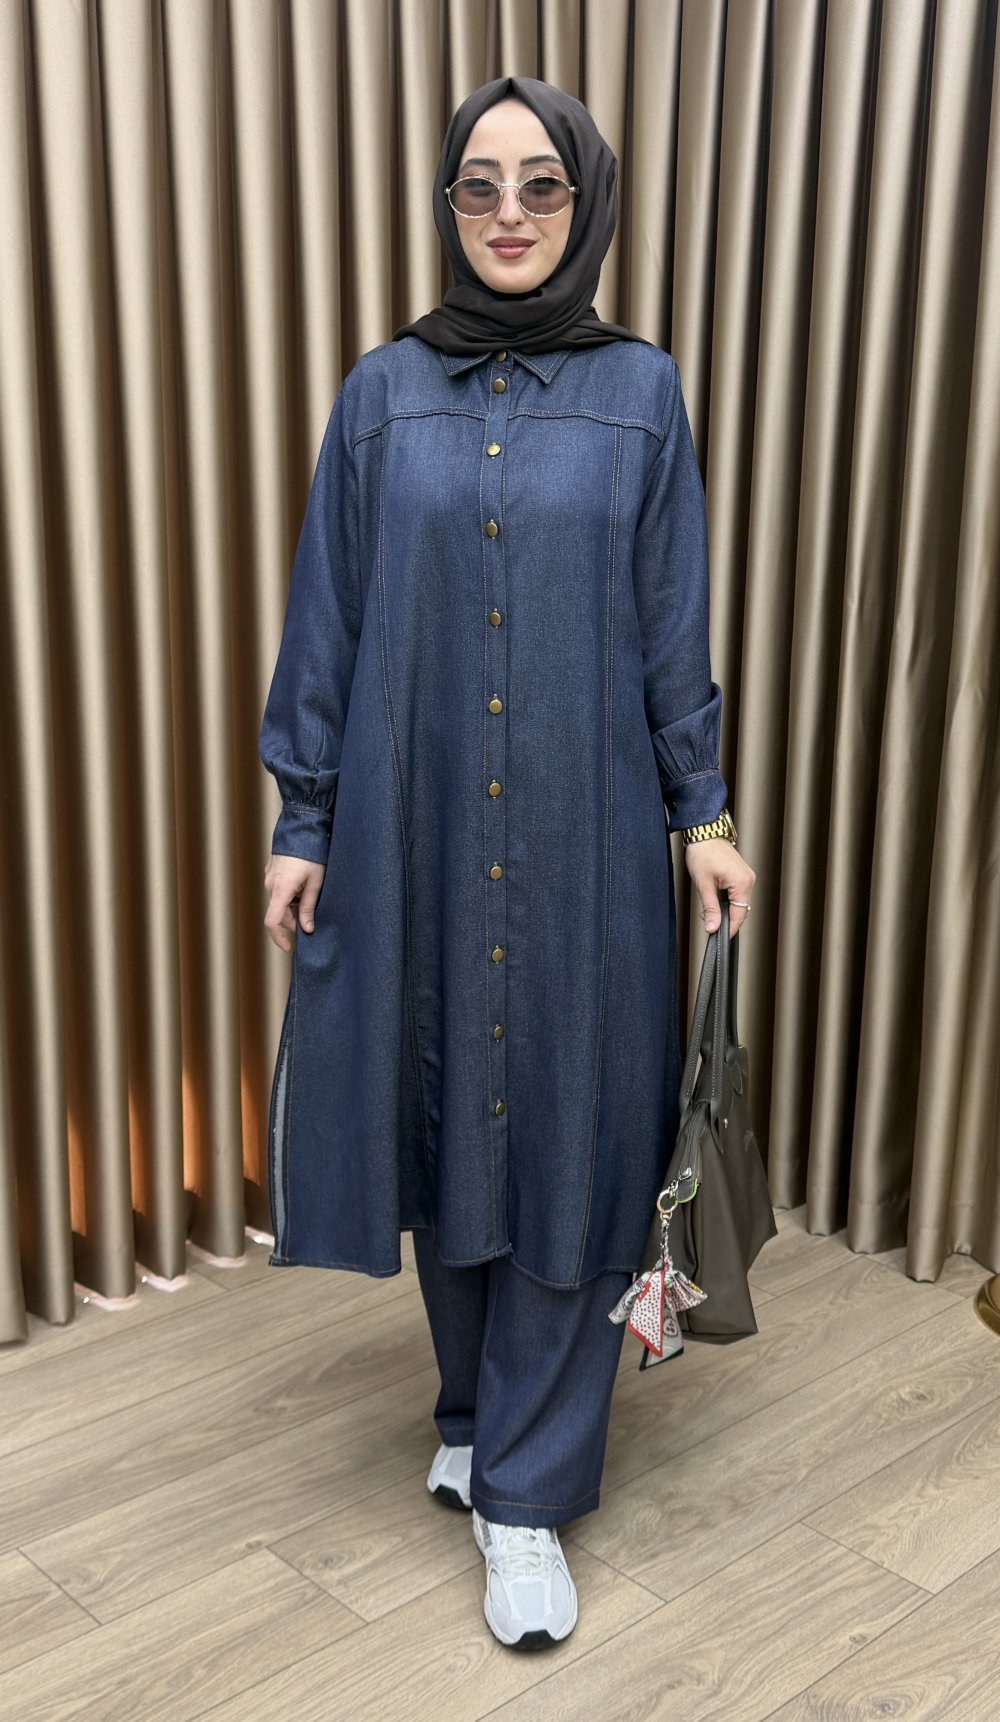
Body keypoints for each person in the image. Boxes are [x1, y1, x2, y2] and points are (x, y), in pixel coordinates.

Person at [259, 73, 756, 1651]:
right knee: (441, 1118)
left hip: (584, 836)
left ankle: (529, 1496)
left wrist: (704, 818)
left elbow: (671, 626)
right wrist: (302, 819)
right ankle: (474, 1409)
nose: (511, 213)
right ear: (447, 208)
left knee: (569, 1130)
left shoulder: (642, 394)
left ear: (585, 200)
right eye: (479, 186)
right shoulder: (380, 395)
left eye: (542, 183)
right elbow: (328, 616)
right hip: (413, 826)